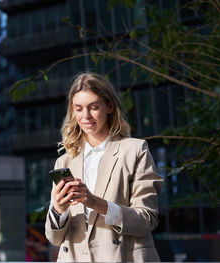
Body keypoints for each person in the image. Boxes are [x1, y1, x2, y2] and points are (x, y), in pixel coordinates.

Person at [45, 72, 164, 262]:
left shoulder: (134, 150)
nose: (86, 116)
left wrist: (94, 202)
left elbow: (147, 219)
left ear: (109, 106)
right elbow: (54, 238)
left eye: (93, 107)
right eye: (78, 108)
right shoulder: (64, 162)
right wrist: (58, 210)